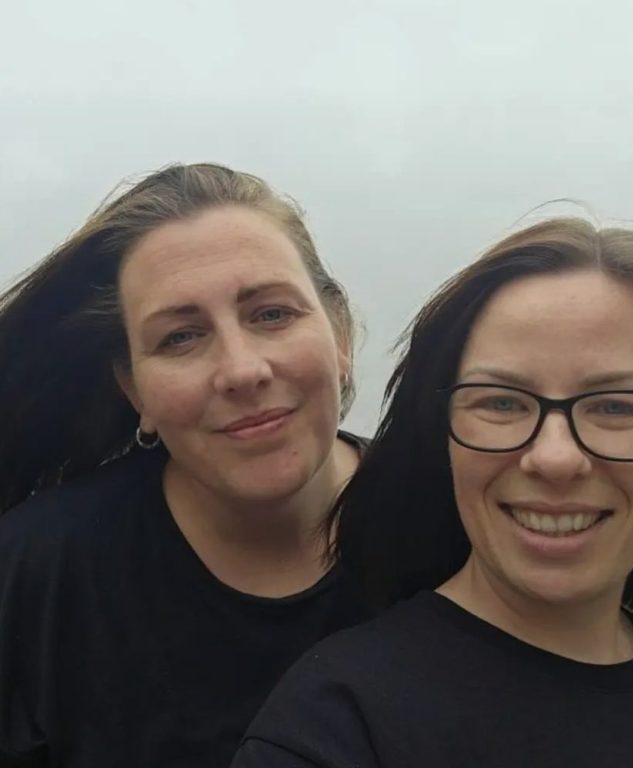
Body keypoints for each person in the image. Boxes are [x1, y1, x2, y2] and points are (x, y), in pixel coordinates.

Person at [233, 217, 633, 767]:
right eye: (502, 402)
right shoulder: (333, 727)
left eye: (616, 406)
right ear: (443, 438)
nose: (555, 457)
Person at [0, 163, 368, 768]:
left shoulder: (452, 528)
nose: (242, 370)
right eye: (180, 338)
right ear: (133, 390)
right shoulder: (35, 579)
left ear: (341, 335)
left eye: (271, 314)